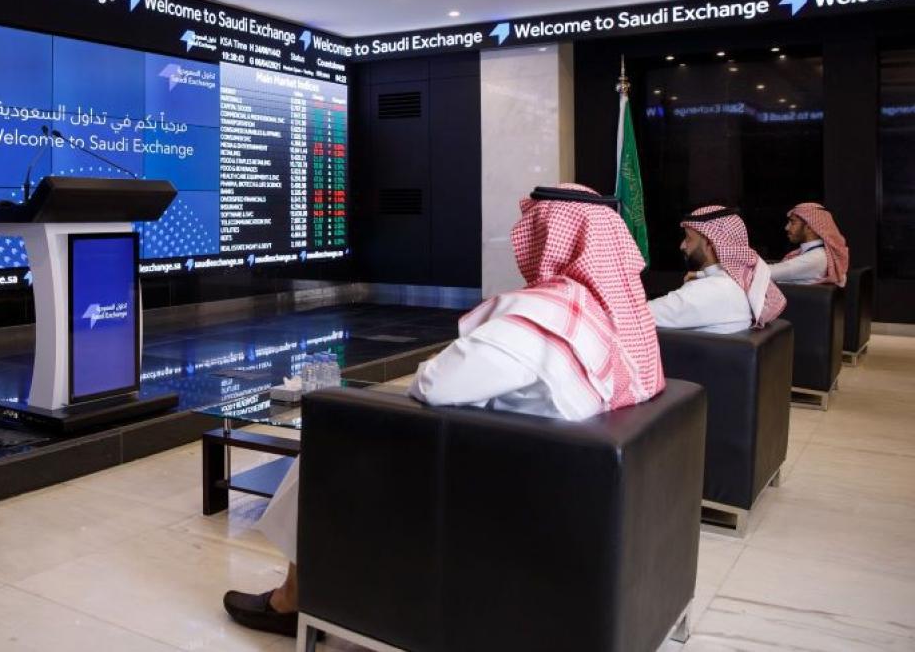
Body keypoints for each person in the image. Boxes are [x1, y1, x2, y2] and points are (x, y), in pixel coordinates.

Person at [222, 184, 666, 638]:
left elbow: (433, 383)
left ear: (553, 237)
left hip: (495, 486)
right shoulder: (608, 314)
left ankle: (294, 598)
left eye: (534, 229)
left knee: (332, 435)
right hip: (548, 478)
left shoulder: (548, 319)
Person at [648, 206, 786, 334]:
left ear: (709, 243)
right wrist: (701, 274)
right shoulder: (742, 283)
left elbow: (640, 316)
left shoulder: (707, 291)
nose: (682, 246)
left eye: (688, 238)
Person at [769, 202, 849, 286]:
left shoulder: (816, 257)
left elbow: (767, 273)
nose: (787, 228)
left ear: (809, 227)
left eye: (793, 222)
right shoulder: (815, 253)